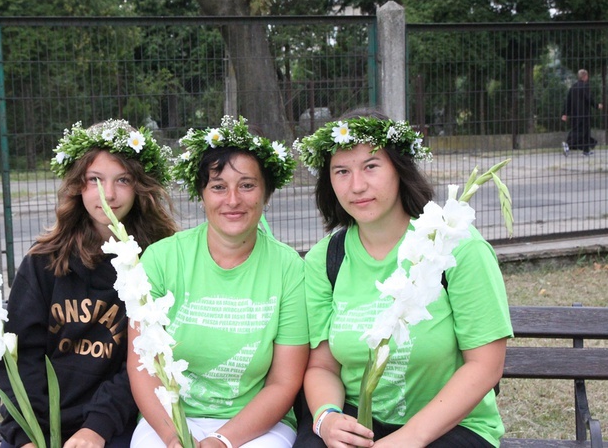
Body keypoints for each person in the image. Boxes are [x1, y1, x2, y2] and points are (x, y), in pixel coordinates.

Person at [293, 110, 513, 447]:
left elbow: (485, 366)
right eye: (341, 171)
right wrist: (327, 417)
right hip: (358, 420)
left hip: (449, 427)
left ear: (399, 168)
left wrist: (408, 439)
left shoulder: (456, 245)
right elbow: (322, 365)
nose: (357, 186)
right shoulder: (325, 258)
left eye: (371, 166)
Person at [128, 115, 309, 448]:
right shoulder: (161, 259)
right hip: (170, 419)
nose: (233, 200)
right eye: (218, 186)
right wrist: (173, 436)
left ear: (265, 192)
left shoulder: (289, 269)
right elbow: (143, 366)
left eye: (247, 185)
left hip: (258, 425)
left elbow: (283, 382)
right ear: (202, 194)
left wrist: (222, 441)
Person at [0, 119, 177, 448]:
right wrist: (28, 436)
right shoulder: (44, 261)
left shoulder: (156, 260)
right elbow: (18, 355)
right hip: (39, 424)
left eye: (123, 180)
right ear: (78, 185)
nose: (109, 194)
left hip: (113, 423)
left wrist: (97, 427)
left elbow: (143, 363)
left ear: (140, 186)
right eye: (96, 180)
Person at [562, 69, 603, 157]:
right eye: (587, 76)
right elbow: (589, 99)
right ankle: (567, 144)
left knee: (584, 132)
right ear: (585, 76)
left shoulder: (573, 87)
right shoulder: (585, 86)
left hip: (574, 114)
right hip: (584, 114)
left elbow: (567, 101)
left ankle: (586, 150)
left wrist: (565, 113)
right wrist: (597, 105)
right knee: (580, 131)